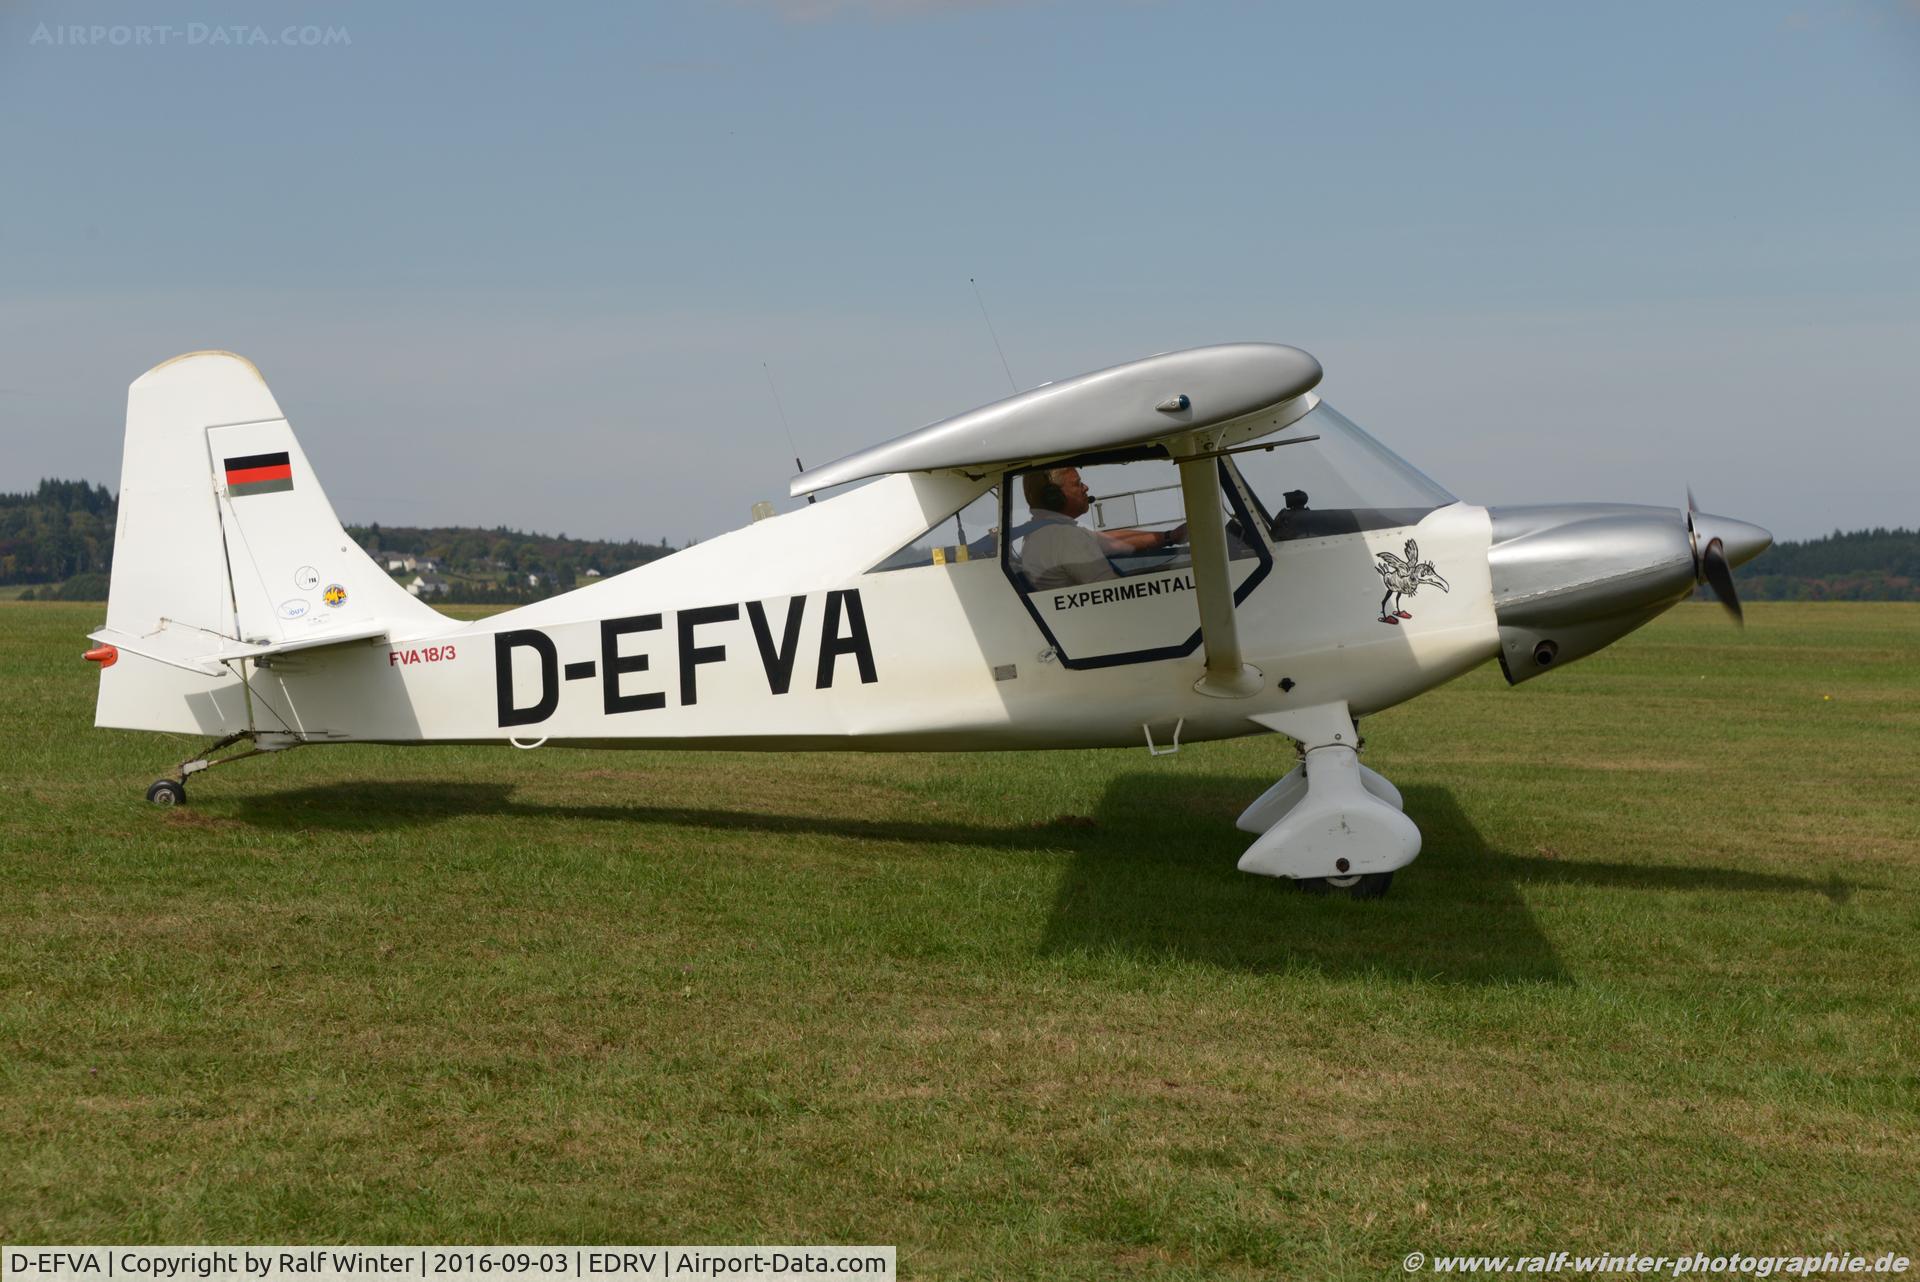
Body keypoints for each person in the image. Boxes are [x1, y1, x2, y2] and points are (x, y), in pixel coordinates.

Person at [1017, 467, 1185, 591]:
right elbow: (1113, 591)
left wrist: (1172, 536)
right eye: (1078, 484)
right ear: (1054, 497)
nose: (1086, 487)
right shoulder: (1065, 537)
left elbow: (1113, 542)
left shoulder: (1044, 533)